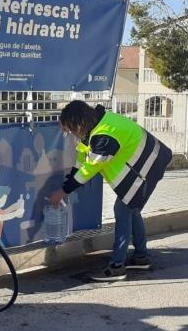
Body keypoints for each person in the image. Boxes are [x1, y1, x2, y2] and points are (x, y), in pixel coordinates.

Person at [48, 100, 172, 281]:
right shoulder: (96, 123)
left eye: (70, 129)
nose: (69, 133)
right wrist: (70, 180)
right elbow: (82, 156)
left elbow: (90, 168)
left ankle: (117, 266)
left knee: (123, 209)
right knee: (132, 208)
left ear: (79, 123)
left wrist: (64, 191)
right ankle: (140, 257)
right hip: (149, 160)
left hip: (149, 165)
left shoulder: (103, 136)